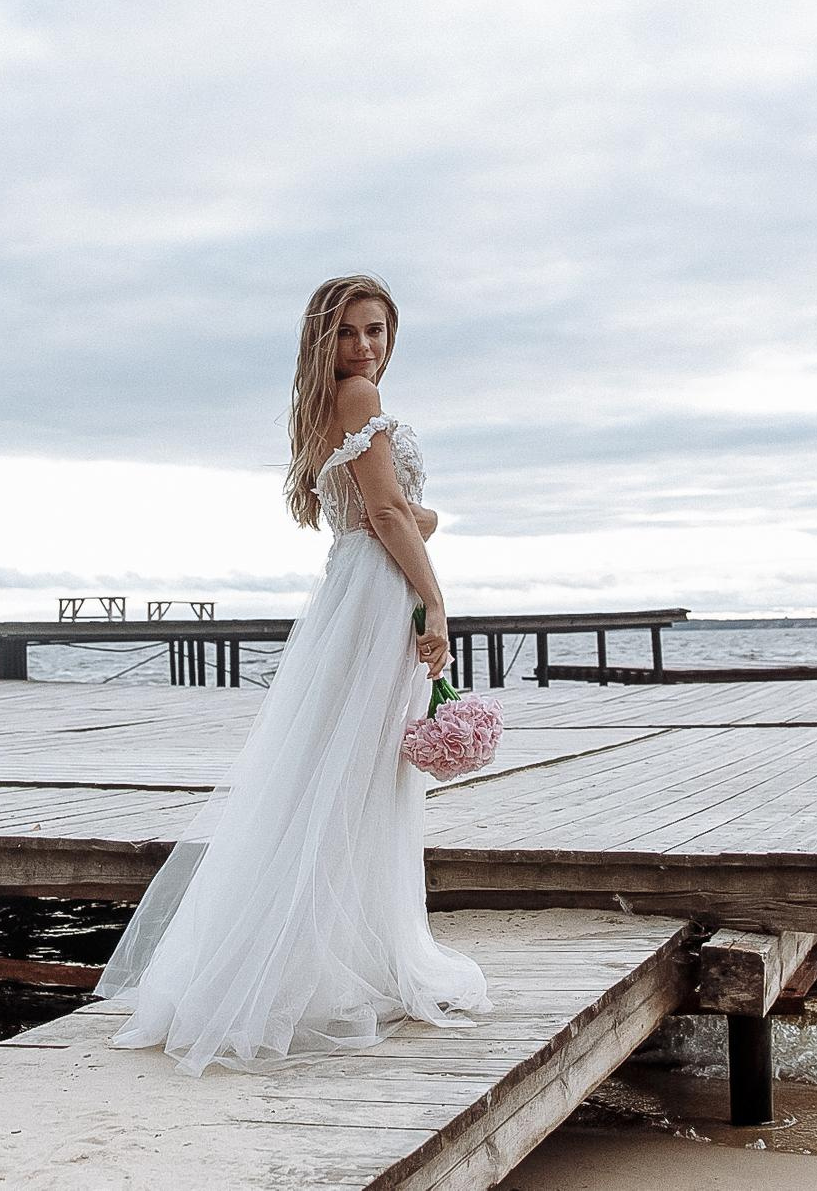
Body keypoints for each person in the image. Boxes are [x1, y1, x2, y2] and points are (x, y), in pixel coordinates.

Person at [97, 273, 491, 1074]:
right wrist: (436, 599)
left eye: (377, 330)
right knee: (350, 779)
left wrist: (425, 518)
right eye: (347, 333)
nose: (365, 348)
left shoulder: (331, 406)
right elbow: (384, 515)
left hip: (358, 589)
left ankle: (341, 952)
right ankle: (301, 962)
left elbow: (387, 508)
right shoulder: (355, 400)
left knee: (353, 777)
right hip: (380, 591)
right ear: (323, 341)